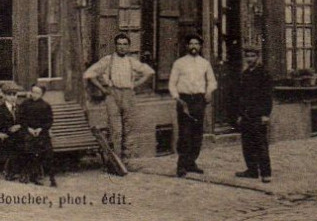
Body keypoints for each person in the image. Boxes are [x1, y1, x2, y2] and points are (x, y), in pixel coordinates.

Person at [84, 32, 154, 163]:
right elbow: (89, 74)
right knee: (115, 128)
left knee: (129, 127)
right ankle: (117, 160)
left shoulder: (132, 61)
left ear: (128, 46)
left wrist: (136, 84)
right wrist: (103, 89)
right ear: (115, 46)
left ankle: (127, 159)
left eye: (125, 44)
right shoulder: (108, 60)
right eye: (119, 44)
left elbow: (149, 72)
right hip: (112, 94)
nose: (122, 47)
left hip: (128, 94)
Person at [168, 34, 217, 177]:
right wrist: (177, 98)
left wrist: (208, 92)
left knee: (197, 134)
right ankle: (181, 165)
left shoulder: (205, 63)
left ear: (200, 46)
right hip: (184, 101)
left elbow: (212, 81)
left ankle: (191, 162)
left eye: (196, 44)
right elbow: (172, 83)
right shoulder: (179, 63)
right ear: (187, 46)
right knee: (185, 134)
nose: (194, 46)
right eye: (191, 44)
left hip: (199, 100)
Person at [235, 44, 273, 182]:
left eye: (252, 56)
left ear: (258, 57)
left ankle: (266, 173)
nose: (249, 59)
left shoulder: (264, 73)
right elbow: (241, 96)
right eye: (247, 56)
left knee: (260, 144)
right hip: (246, 114)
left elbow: (268, 96)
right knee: (247, 144)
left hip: (258, 114)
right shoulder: (245, 74)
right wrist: (240, 114)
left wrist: (266, 115)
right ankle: (252, 170)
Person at [16, 83, 57, 187]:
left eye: (37, 93)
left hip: (41, 132)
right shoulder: (25, 104)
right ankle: (27, 173)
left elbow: (49, 120)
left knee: (46, 150)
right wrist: (28, 128)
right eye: (33, 92)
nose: (34, 94)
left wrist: (41, 129)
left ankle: (50, 177)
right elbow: (20, 118)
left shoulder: (45, 105)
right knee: (28, 147)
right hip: (27, 131)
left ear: (42, 94)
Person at [0, 81, 23, 177]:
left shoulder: (20, 108)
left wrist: (20, 126)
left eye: (14, 94)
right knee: (14, 144)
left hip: (19, 136)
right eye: (9, 94)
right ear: (4, 96)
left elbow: (26, 121)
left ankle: (26, 171)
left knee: (26, 143)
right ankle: (11, 171)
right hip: (6, 137)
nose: (13, 97)